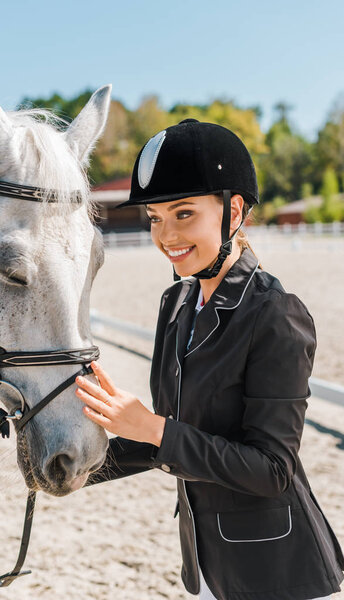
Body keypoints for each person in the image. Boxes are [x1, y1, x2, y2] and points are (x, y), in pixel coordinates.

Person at [75, 119, 344, 600]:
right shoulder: (176, 303)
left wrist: (152, 427)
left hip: (280, 572)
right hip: (204, 563)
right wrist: (82, 467)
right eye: (155, 218)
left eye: (183, 214)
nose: (165, 235)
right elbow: (179, 437)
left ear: (234, 210)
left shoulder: (275, 314)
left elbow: (271, 469)